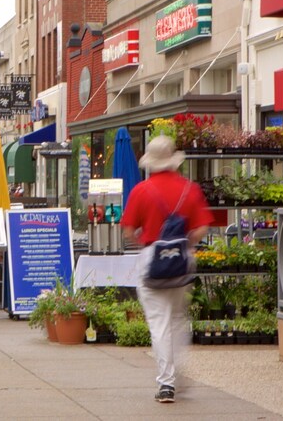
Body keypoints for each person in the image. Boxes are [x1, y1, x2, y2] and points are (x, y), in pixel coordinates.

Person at [120, 135, 213, 404]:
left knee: (159, 324)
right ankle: (178, 374)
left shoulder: (141, 190)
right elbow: (202, 227)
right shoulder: (190, 189)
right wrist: (184, 245)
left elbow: (128, 229)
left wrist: (147, 246)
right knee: (177, 320)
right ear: (173, 161)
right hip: (182, 261)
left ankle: (166, 384)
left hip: (152, 259)